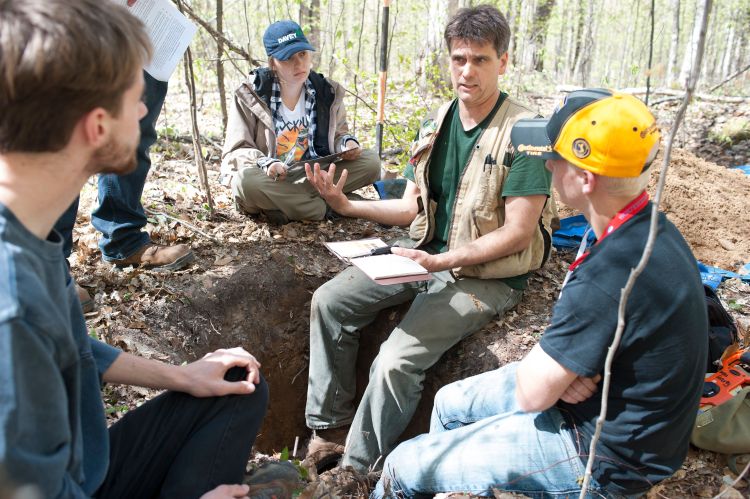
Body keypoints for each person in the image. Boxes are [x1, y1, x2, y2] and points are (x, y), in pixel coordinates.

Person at [372, 88, 709, 498]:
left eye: (554, 156)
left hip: (602, 457)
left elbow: (533, 393)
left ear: (585, 179)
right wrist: (565, 374)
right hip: (608, 409)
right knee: (448, 402)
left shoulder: (612, 270)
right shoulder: (646, 226)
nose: (546, 162)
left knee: (403, 465)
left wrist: (553, 380)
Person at [0, 2, 268, 498]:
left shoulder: (32, 232)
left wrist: (181, 376)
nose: (145, 110)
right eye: (136, 95)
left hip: (84, 467)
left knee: (235, 385)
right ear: (96, 126)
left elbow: (77, 351)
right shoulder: (13, 308)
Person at [302, 5, 557, 473]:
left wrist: (443, 262)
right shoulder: (436, 121)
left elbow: (519, 232)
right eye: (459, 58)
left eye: (480, 59)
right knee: (330, 302)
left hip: (484, 276)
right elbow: (413, 207)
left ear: (503, 61)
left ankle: (355, 472)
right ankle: (328, 431)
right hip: (425, 256)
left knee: (396, 360)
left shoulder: (526, 133)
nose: (467, 70)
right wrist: (348, 206)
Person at [56, 0, 195, 312]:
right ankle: (47, 263)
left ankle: (123, 239)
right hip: (83, 18)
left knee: (133, 130)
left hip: (146, 21)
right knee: (67, 132)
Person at [221, 20, 381, 226]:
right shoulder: (251, 95)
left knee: (371, 161)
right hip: (275, 177)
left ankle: (286, 206)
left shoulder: (326, 91)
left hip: (316, 172)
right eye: (288, 58)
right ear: (272, 63)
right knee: (246, 183)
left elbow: (340, 134)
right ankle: (326, 207)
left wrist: (347, 145)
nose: (299, 64)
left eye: (303, 54)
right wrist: (268, 163)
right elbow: (236, 151)